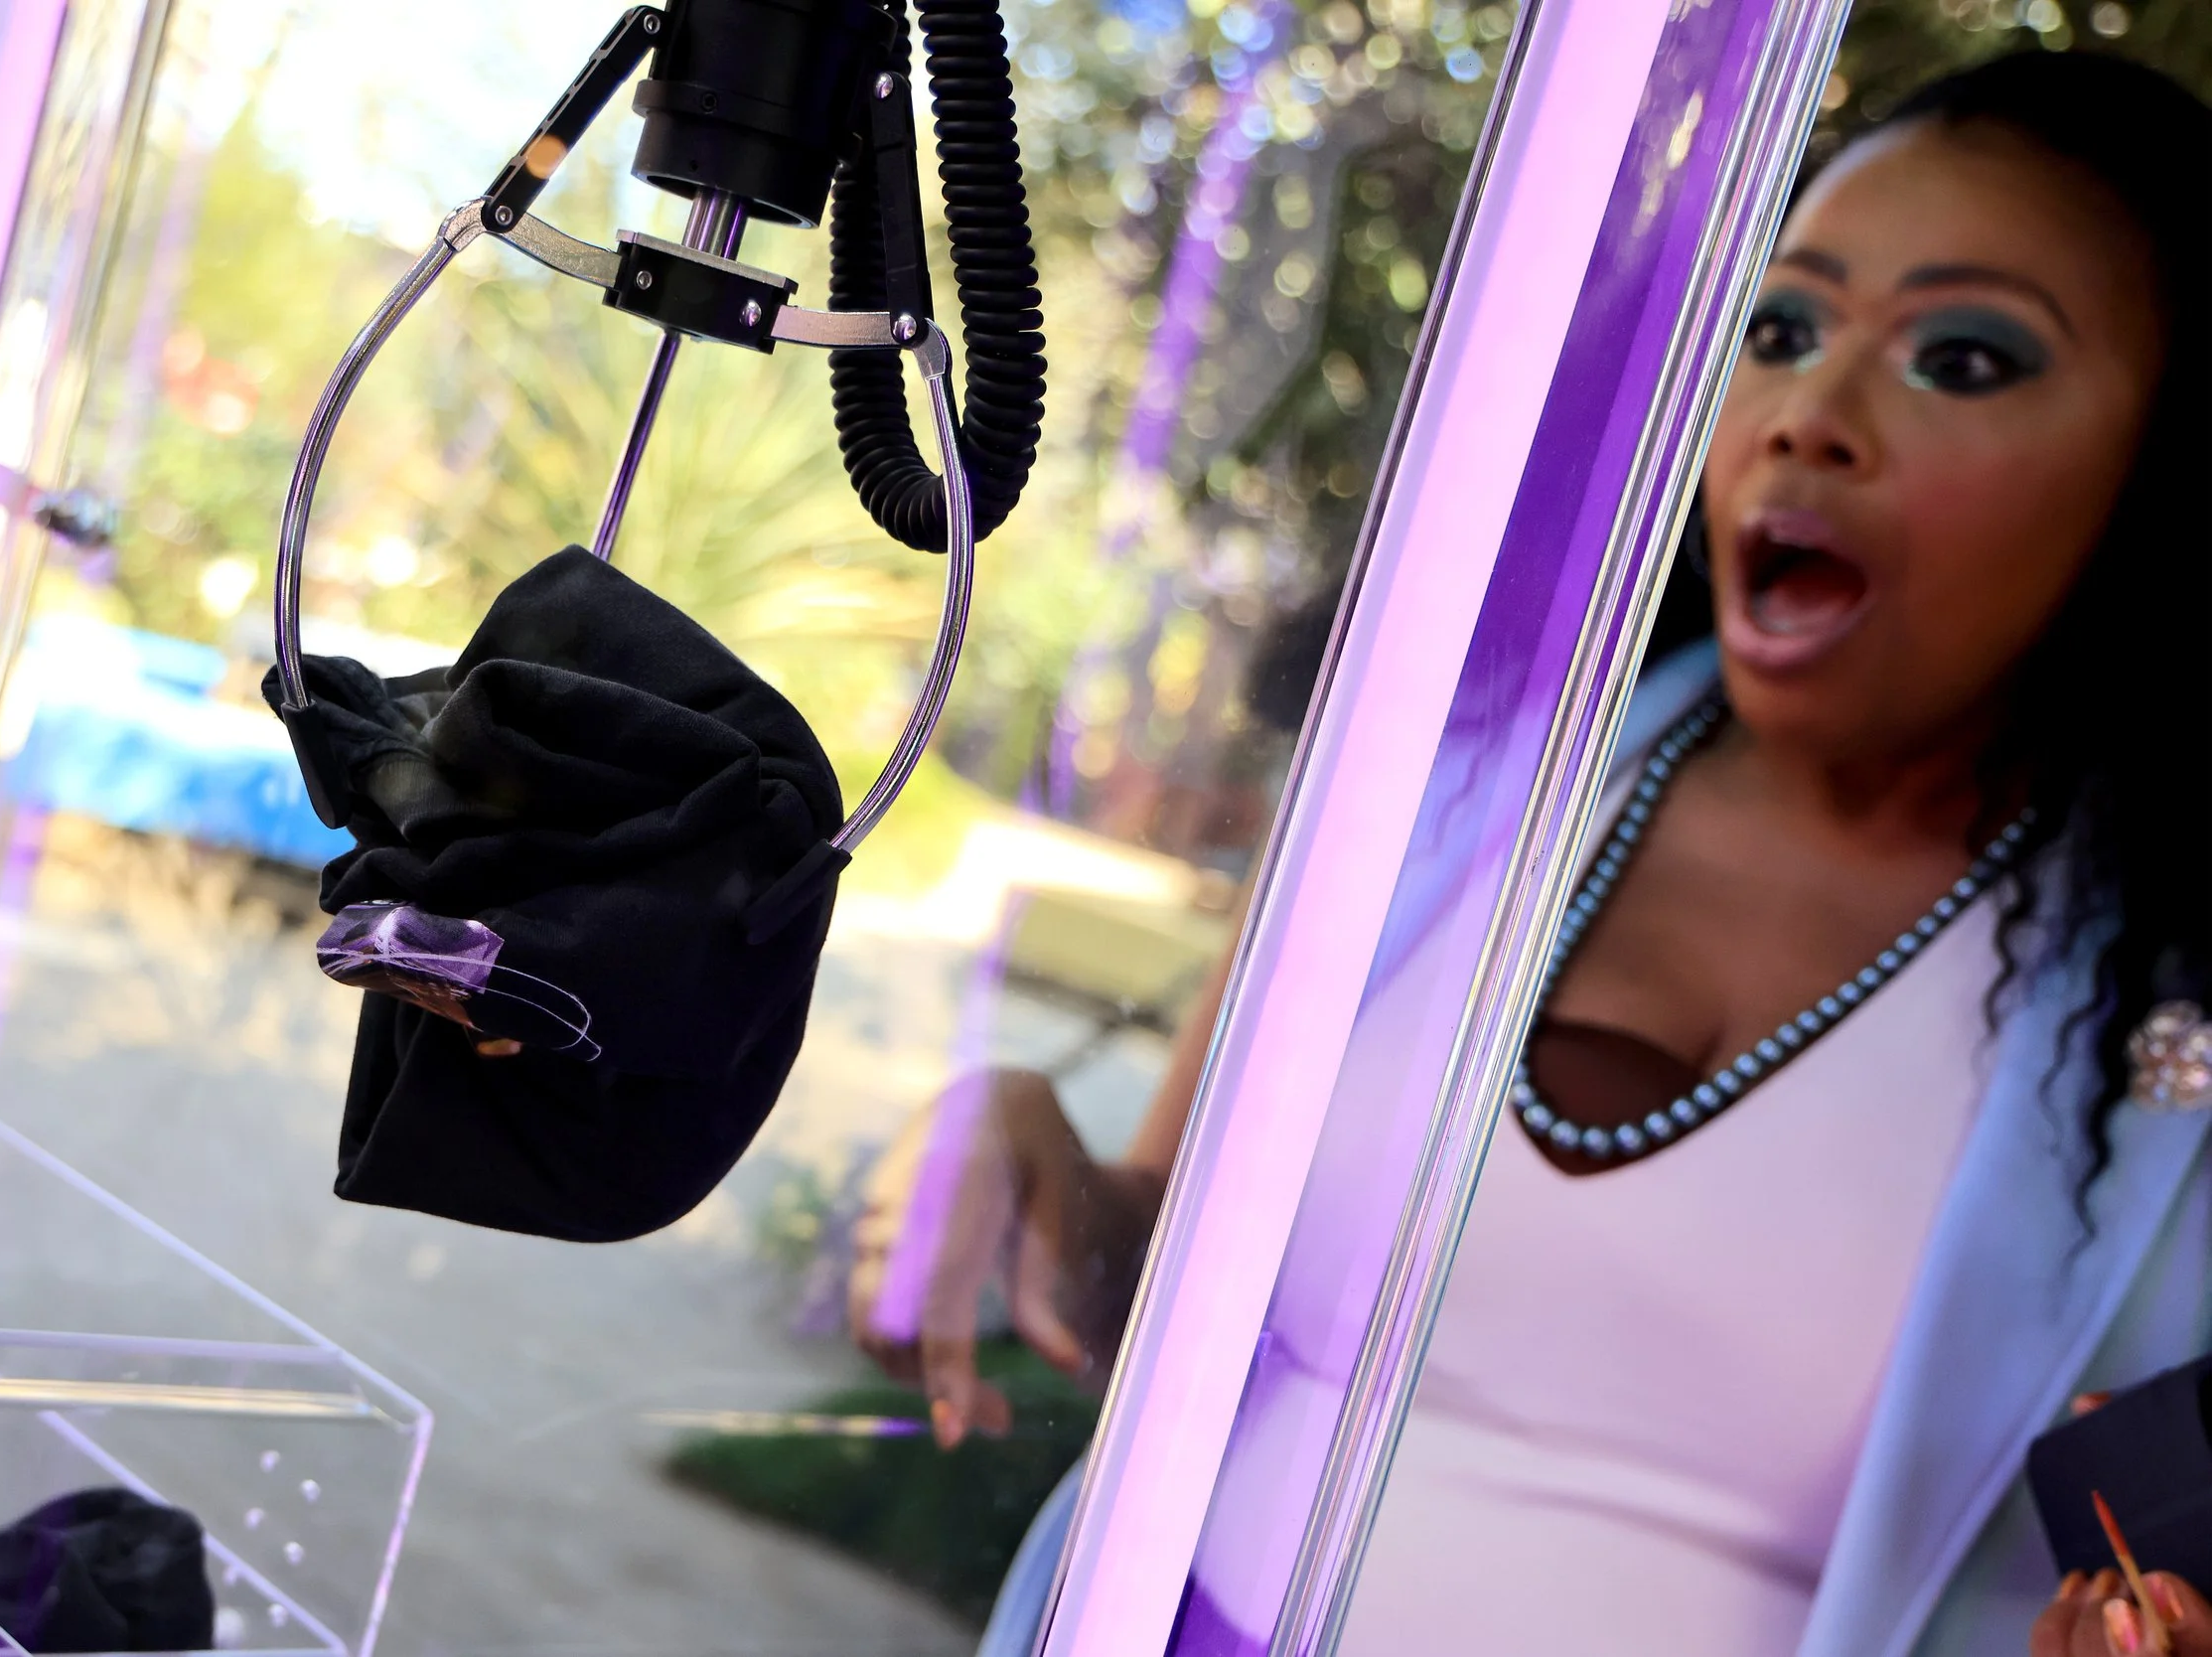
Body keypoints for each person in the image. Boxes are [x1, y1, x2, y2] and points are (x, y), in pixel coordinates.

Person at [846, 49, 2212, 1657]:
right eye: (1780, 329)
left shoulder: (2173, 1033)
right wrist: (1017, 1158)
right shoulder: (1444, 784)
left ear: (2163, 475)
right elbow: (1148, 1281)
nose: (1809, 419)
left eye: (1963, 359)